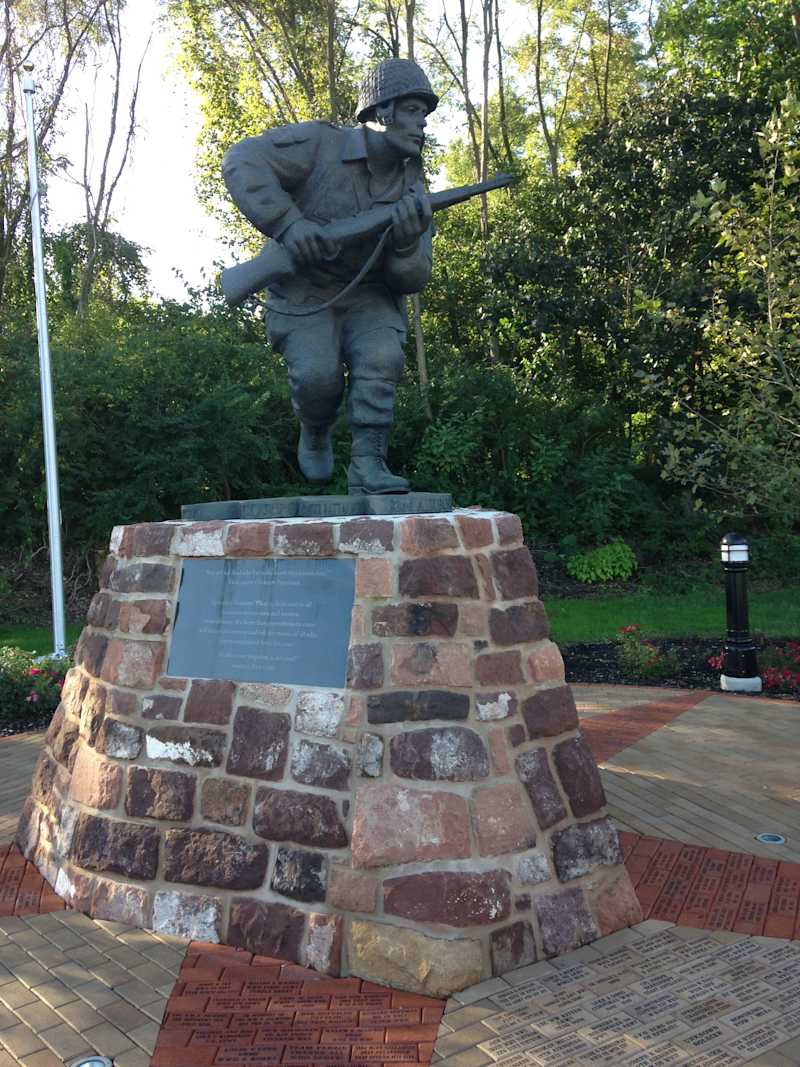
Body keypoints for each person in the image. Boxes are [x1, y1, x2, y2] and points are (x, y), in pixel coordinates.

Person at [222, 58, 438, 495]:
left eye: (424, 115)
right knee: (317, 379)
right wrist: (289, 224)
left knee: (382, 358)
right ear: (382, 113)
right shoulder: (321, 144)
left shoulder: (414, 191)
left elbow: (411, 278)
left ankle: (368, 464)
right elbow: (242, 160)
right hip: (303, 291)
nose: (421, 125)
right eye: (413, 111)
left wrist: (405, 243)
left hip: (369, 293)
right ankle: (315, 429)